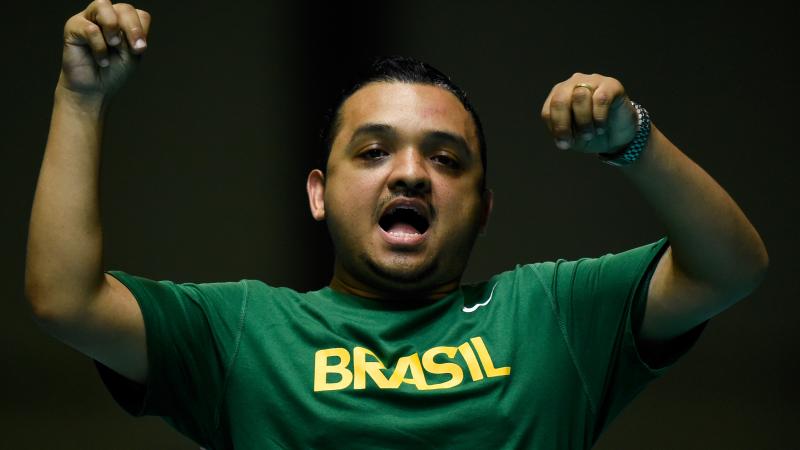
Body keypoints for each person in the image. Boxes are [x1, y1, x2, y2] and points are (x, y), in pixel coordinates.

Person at [25, 1, 769, 449]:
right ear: (319, 194)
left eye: (446, 160)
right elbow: (66, 300)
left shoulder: (553, 313)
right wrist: (80, 98)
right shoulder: (243, 328)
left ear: (484, 205)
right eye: (374, 151)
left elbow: (731, 268)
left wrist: (631, 142)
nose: (410, 173)